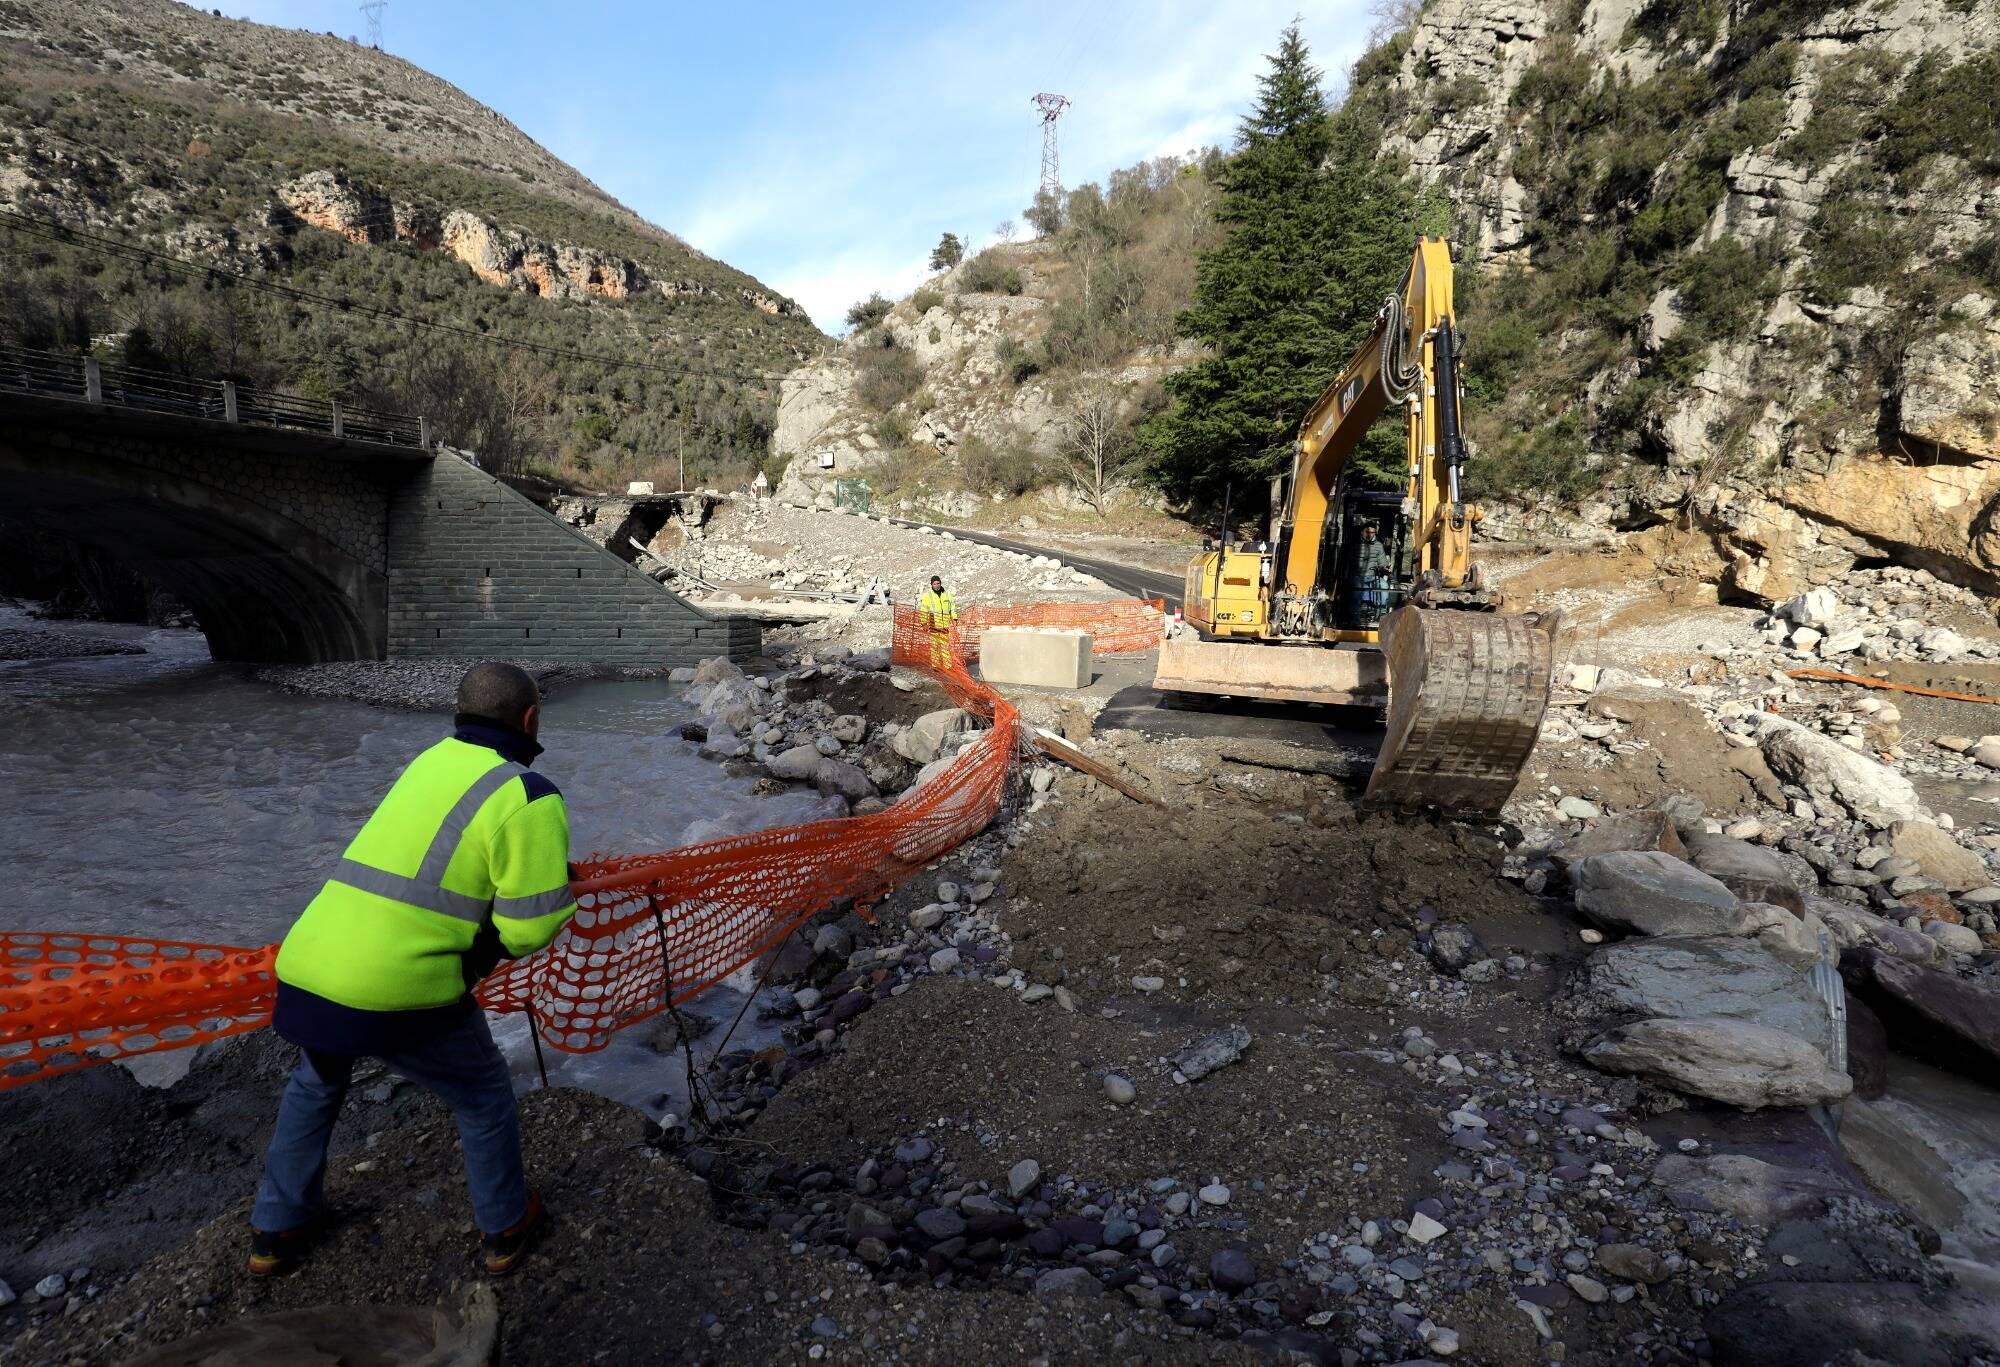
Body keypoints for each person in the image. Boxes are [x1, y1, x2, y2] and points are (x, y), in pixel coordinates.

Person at [248, 662, 578, 1279]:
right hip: (396, 986)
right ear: (530, 719)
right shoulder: (528, 794)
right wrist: (483, 950)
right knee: (482, 1096)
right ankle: (506, 1227)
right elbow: (531, 927)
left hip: (310, 965)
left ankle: (275, 1229)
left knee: (316, 1083)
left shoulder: (427, 763)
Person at [918, 574, 959, 670]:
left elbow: (952, 608)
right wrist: (924, 623)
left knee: (945, 646)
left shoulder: (947, 594)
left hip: (944, 624)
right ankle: (935, 666)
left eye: (938, 583)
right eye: (935, 584)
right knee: (934, 646)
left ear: (940, 583)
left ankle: (948, 666)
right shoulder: (927, 596)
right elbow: (924, 610)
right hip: (933, 624)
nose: (937, 585)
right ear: (931, 585)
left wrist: (955, 618)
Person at [1353, 523, 1390, 625]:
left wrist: (1386, 567)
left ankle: (1382, 614)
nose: (1369, 535)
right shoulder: (1354, 545)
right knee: (1355, 587)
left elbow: (1383, 563)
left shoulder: (1379, 546)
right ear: (1362, 532)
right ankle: (1354, 614)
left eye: (1372, 533)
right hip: (1357, 576)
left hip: (1373, 576)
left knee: (1384, 585)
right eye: (1367, 532)